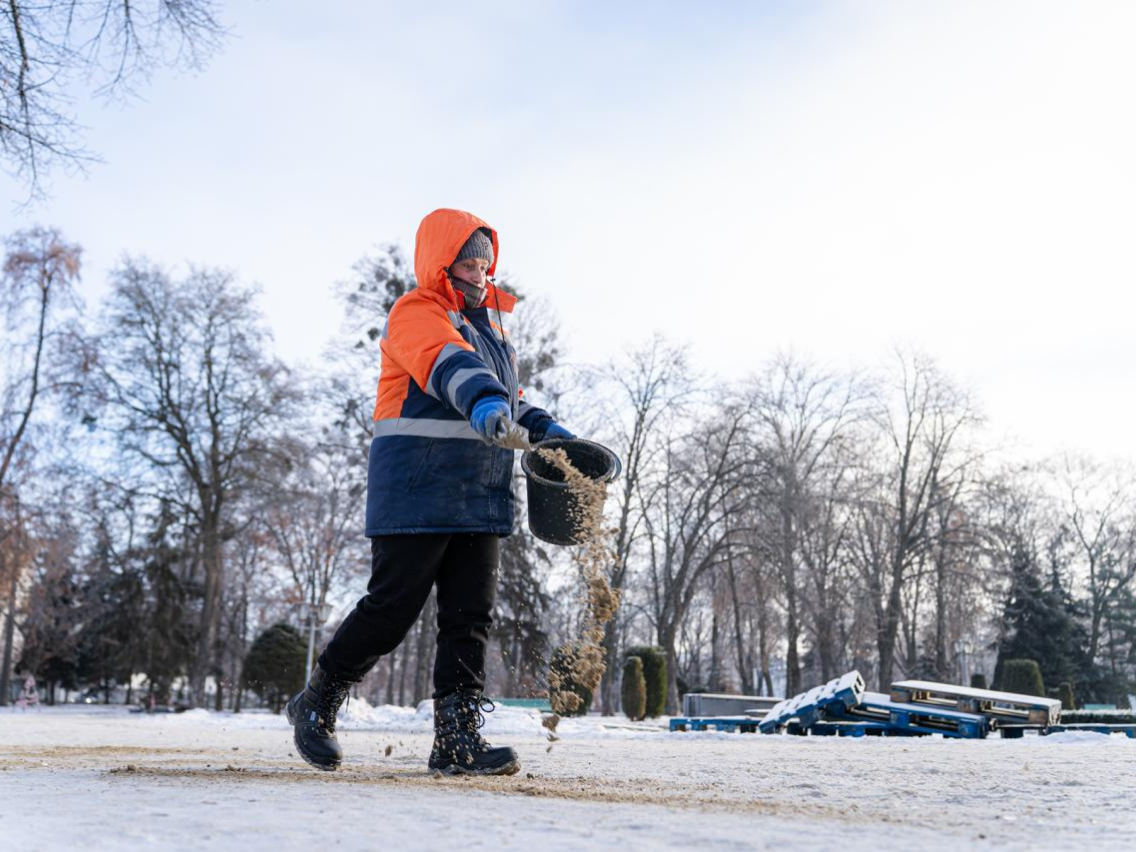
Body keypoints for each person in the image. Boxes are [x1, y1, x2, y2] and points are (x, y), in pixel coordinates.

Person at [287, 208, 574, 775]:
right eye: (468, 262)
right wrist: (489, 402)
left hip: (479, 492)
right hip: (417, 487)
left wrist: (550, 432)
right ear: (442, 263)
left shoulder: (494, 334)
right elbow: (449, 364)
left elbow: (507, 398)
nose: (479, 273)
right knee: (392, 609)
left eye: (485, 264)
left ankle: (457, 741)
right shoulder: (416, 312)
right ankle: (317, 701)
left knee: (470, 618)